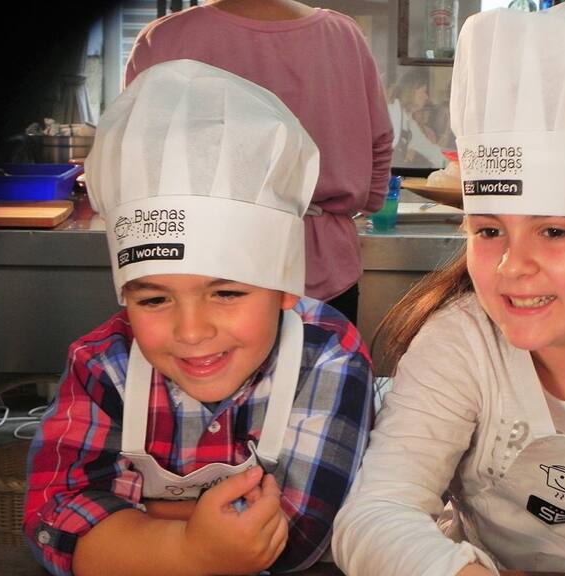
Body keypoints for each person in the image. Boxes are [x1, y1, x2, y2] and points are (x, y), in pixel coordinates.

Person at [332, 1, 565, 575]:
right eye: (489, 231)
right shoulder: (462, 346)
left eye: (554, 231)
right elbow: (375, 514)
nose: (512, 266)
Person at [23, 60, 373, 576]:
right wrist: (192, 550)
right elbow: (54, 524)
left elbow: (294, 538)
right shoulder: (102, 364)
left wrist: (139, 523)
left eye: (226, 293)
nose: (191, 332)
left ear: (284, 287)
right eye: (154, 300)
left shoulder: (328, 354)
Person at [125, 0, 394, 326]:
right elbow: (379, 142)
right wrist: (361, 205)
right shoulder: (344, 34)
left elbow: (136, 158)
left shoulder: (165, 37)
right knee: (327, 361)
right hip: (324, 262)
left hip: (200, 266)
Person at [386, 69, 447, 168]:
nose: (426, 97)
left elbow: (431, 151)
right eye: (424, 91)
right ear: (411, 91)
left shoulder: (409, 123)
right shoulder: (391, 112)